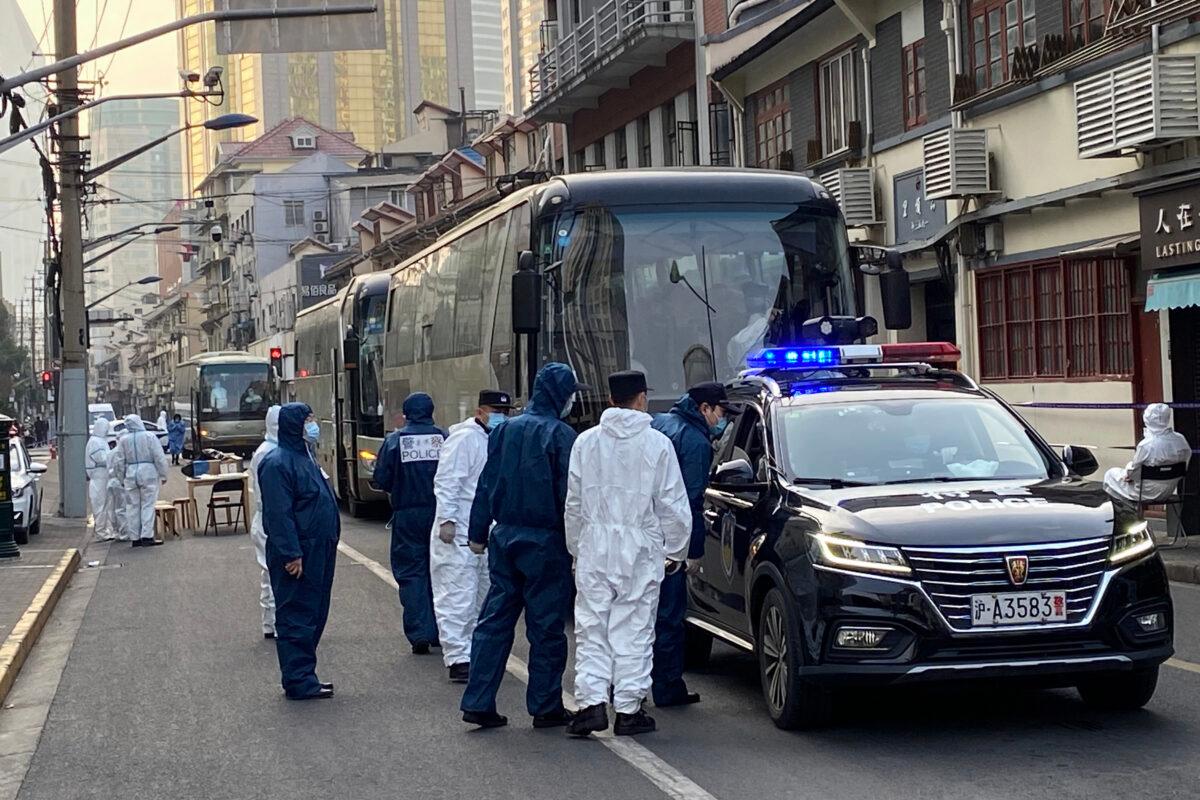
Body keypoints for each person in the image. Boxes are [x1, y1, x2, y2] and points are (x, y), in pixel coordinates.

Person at [564, 371, 691, 738]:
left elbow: (573, 504)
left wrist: (577, 548)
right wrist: (675, 551)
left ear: (609, 399)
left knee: (592, 627)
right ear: (641, 399)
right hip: (639, 547)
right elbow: (672, 504)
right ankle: (628, 708)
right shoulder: (657, 444)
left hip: (594, 545)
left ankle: (590, 705)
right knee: (633, 628)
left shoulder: (585, 443)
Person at [460, 363, 580, 730]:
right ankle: (545, 705)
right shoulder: (561, 436)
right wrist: (577, 545)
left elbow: (486, 484)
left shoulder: (504, 431)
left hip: (504, 536)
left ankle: (478, 699)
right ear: (561, 395)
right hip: (545, 540)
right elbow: (569, 497)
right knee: (545, 626)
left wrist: (477, 533)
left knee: (494, 621)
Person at [257, 403, 340, 700]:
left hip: (318, 549)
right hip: (299, 553)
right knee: (297, 615)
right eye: (308, 419)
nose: (313, 424)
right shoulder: (278, 463)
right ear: (294, 424)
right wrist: (292, 553)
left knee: (314, 612)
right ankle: (298, 679)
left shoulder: (305, 457)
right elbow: (278, 515)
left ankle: (305, 673)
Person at [431, 389, 513, 683]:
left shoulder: (495, 438)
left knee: (482, 595)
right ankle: (458, 657)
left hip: (484, 528)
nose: (501, 417)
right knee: (456, 594)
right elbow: (448, 480)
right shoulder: (464, 438)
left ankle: (475, 652)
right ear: (480, 411)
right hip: (459, 529)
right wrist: (447, 519)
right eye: (495, 411)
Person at [373, 393, 446, 654]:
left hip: (408, 514)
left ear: (406, 413)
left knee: (412, 572)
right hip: (441, 514)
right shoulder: (443, 438)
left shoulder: (395, 441)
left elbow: (381, 477)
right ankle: (444, 630)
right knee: (442, 572)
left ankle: (420, 633)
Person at [1104, 403, 1192, 512]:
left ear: (1147, 419)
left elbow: (1133, 472)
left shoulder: (1147, 445)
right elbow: (1185, 464)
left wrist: (1128, 474)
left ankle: (1128, 513)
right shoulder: (1180, 439)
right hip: (1169, 490)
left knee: (1110, 475)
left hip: (1146, 491)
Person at [108, 414, 168, 548]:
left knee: (132, 507)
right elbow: (159, 457)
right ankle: (147, 536)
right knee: (147, 504)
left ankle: (135, 537)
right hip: (148, 473)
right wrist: (164, 475)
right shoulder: (149, 437)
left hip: (130, 474)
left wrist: (121, 477)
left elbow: (119, 462)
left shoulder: (123, 440)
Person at [249, 406, 281, 640]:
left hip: (266, 518)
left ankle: (270, 622)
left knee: (269, 573)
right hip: (271, 518)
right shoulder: (269, 453)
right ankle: (278, 622)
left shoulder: (268, 450)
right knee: (276, 573)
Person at [86, 418, 114, 541]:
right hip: (99, 476)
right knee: (100, 505)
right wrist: (113, 455)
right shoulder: (95, 442)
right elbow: (101, 458)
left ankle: (106, 530)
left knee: (106, 504)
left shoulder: (101, 441)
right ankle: (101, 532)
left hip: (104, 476)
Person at [105, 428, 130, 542]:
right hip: (119, 483)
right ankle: (125, 533)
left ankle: (116, 531)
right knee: (122, 509)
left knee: (113, 508)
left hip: (110, 482)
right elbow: (120, 468)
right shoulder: (122, 452)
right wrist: (123, 481)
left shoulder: (111, 452)